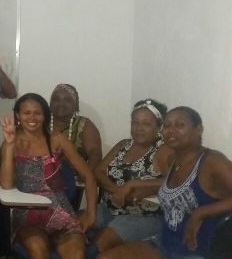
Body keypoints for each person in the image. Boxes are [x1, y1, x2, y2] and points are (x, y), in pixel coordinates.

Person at [98, 106, 232, 259]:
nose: (171, 130)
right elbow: (166, 185)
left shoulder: (212, 160)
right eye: (167, 126)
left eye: (180, 125)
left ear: (198, 129)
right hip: (163, 242)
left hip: (197, 249)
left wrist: (200, 213)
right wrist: (134, 184)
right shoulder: (173, 160)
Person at [0, 93, 97, 259]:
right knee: (38, 251)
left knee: (76, 255)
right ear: (18, 115)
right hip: (27, 213)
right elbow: (7, 184)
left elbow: (89, 176)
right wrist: (9, 145)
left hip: (60, 211)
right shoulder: (10, 142)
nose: (32, 117)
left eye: (37, 113)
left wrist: (91, 213)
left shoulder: (57, 140)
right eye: (26, 113)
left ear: (45, 116)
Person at [93, 99, 173, 252]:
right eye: (135, 122)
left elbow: (175, 182)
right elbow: (99, 171)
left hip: (143, 215)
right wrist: (117, 190)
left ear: (158, 127)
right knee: (72, 224)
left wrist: (132, 184)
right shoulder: (123, 145)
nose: (139, 128)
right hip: (109, 208)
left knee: (99, 245)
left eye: (146, 124)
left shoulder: (163, 151)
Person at [49, 83, 103, 208]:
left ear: (76, 105)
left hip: (73, 184)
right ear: (50, 103)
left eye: (67, 100)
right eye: (56, 99)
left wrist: (86, 173)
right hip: (41, 180)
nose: (61, 103)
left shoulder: (84, 125)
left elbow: (95, 153)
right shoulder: (41, 121)